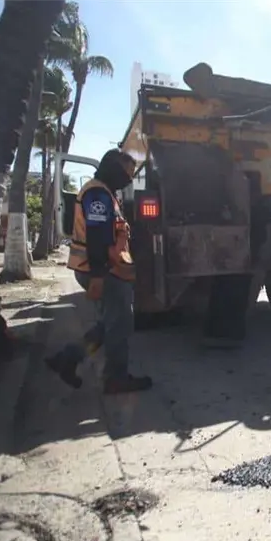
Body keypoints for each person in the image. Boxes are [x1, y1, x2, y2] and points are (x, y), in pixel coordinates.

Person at [45, 149, 153, 394]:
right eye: (127, 172)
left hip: (105, 269)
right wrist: (98, 275)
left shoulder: (105, 193)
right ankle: (116, 378)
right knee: (120, 324)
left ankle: (68, 358)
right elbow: (97, 237)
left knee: (109, 324)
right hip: (103, 270)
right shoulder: (98, 194)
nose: (129, 178)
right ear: (114, 168)